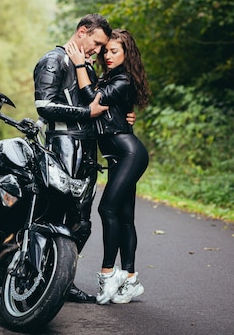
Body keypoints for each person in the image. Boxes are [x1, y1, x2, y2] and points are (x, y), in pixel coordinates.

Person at [33, 14, 135, 303]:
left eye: (104, 47)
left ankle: (62, 281)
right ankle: (38, 279)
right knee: (52, 217)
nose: (99, 51)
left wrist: (125, 116)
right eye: (97, 43)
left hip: (88, 156)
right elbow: (44, 105)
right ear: (81, 32)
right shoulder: (53, 60)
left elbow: (103, 102)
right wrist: (85, 113)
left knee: (81, 224)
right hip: (61, 150)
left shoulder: (88, 68)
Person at [66, 29, 151, 304]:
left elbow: (93, 100)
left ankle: (107, 274)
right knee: (125, 217)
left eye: (115, 51)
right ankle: (130, 279)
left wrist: (80, 64)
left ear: (127, 54)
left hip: (129, 153)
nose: (108, 55)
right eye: (106, 51)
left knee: (107, 208)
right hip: (117, 156)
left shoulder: (123, 79)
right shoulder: (110, 77)